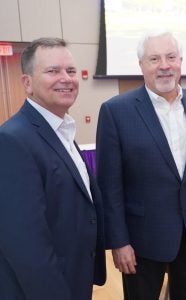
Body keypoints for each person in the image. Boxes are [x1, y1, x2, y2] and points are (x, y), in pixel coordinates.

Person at [96, 30, 186, 300]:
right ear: (141, 65)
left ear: (181, 61)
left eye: (171, 57)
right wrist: (119, 241)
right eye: (154, 58)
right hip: (141, 241)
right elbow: (110, 186)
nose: (164, 65)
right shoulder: (116, 111)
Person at [0, 37, 106, 300]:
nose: (66, 78)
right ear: (27, 83)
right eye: (52, 71)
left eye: (70, 71)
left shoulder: (61, 130)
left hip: (73, 277)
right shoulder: (13, 140)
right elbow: (26, 245)